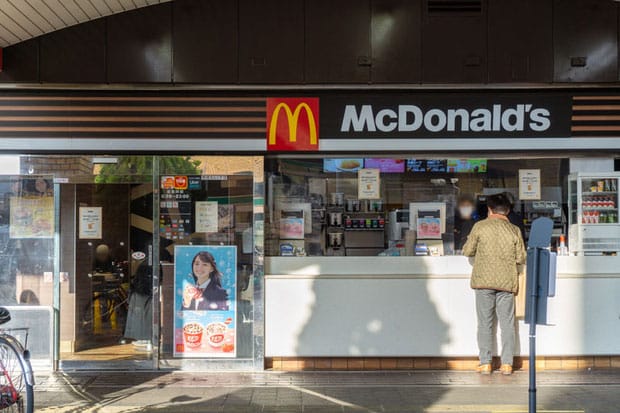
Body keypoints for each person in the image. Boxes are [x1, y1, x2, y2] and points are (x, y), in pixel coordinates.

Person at [463, 193, 526, 375]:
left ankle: (485, 363)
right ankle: (507, 364)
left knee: (485, 323)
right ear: (507, 211)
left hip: (483, 281)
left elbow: (468, 251)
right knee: (507, 324)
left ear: (489, 209)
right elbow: (521, 257)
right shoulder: (514, 230)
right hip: (506, 281)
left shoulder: (480, 226)